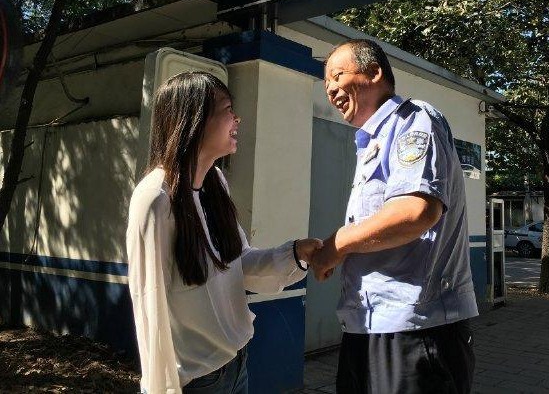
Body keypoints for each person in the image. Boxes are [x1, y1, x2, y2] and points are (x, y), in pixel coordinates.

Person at [127, 71, 321, 394]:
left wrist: (296, 254)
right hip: (196, 382)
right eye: (228, 109)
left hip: (236, 366)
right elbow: (149, 304)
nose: (237, 119)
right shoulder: (154, 199)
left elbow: (239, 265)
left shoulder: (216, 183)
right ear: (195, 120)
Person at [311, 39, 478, 394]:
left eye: (337, 75)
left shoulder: (414, 120)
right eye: (325, 82)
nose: (330, 89)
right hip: (368, 325)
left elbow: (416, 211)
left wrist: (337, 244)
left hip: (415, 328)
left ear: (374, 73)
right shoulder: (372, 141)